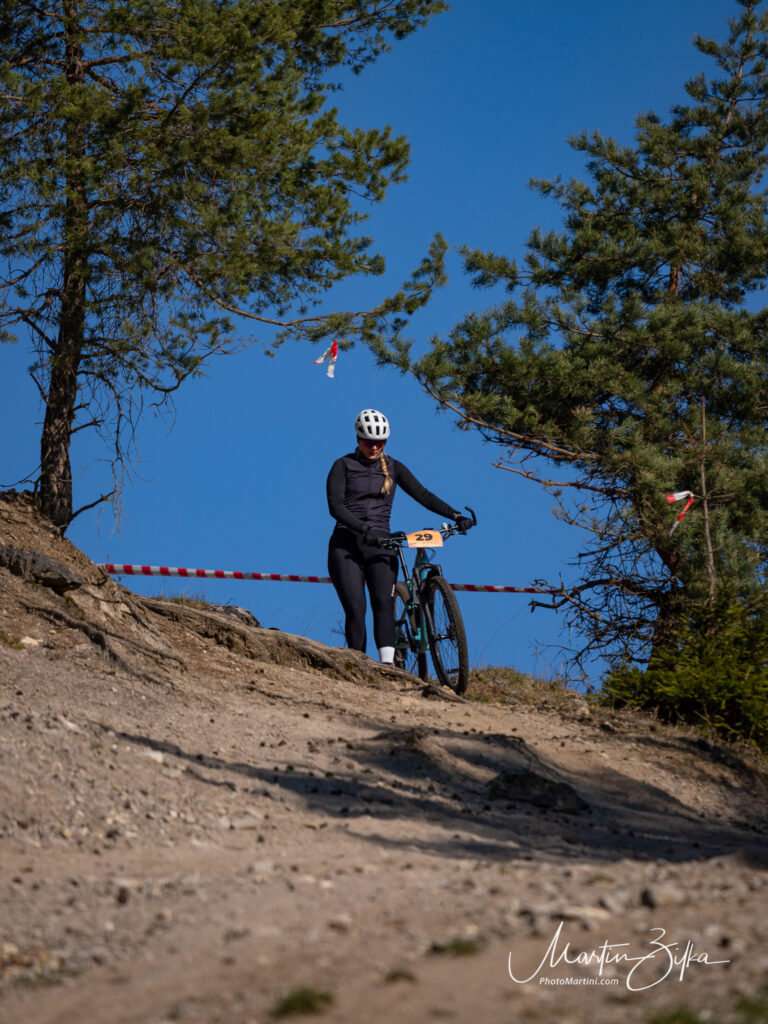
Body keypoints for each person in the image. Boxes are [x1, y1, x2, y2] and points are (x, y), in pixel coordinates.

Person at [326, 409, 473, 665]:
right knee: (356, 608)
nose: (374, 447)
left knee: (383, 602)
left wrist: (455, 515)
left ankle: (387, 665)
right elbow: (335, 506)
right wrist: (363, 529)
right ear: (358, 439)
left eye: (380, 442)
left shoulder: (394, 467)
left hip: (382, 544)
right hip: (347, 544)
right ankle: (358, 664)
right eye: (369, 442)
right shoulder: (343, 465)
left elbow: (423, 495)